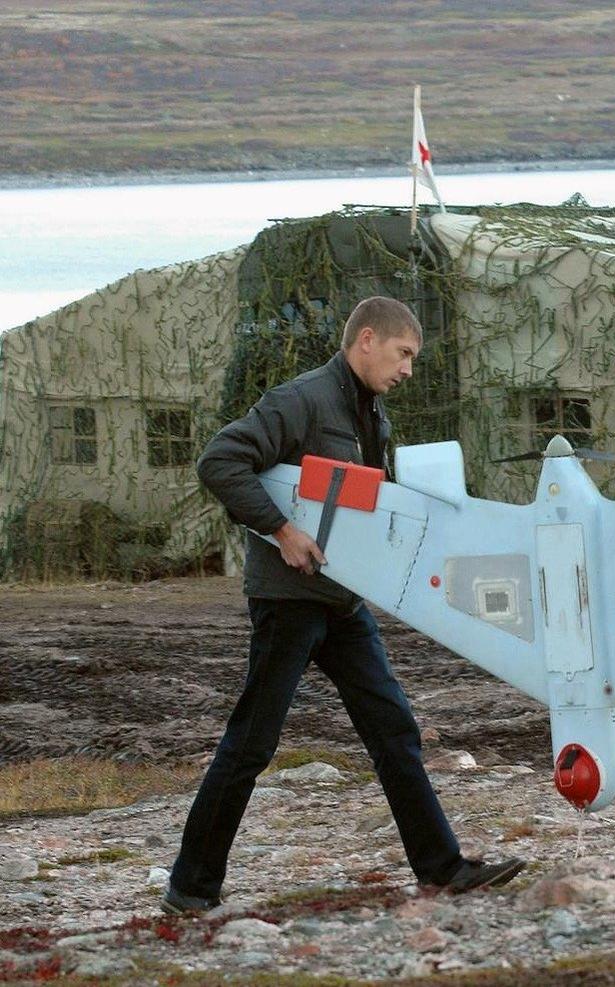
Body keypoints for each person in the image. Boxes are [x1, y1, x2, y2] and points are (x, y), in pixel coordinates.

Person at [164, 296, 525, 912]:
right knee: (253, 742)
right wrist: (283, 531)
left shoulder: (372, 414)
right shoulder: (300, 399)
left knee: (393, 729)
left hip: (344, 600)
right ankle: (190, 888)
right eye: (403, 353)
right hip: (289, 599)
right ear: (366, 340)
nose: (408, 368)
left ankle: (442, 867)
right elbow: (219, 460)